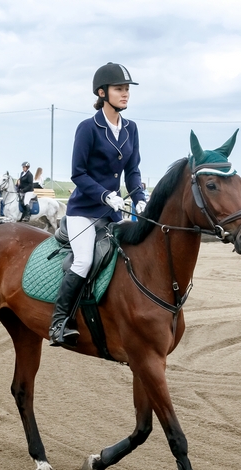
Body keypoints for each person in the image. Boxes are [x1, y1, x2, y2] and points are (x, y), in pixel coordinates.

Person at [48, 62, 146, 346]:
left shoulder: (131, 129)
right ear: (102, 93)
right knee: (85, 260)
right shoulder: (88, 128)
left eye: (127, 89)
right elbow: (78, 173)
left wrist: (140, 197)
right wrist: (104, 194)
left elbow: (134, 171)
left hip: (113, 212)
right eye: (119, 89)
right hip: (85, 211)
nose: (125, 94)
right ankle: (59, 322)